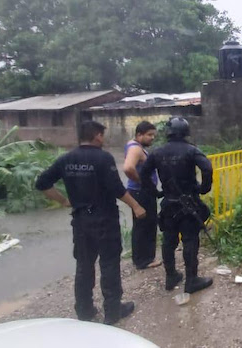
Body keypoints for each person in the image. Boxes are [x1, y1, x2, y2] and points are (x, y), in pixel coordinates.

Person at [35, 120, 146, 325]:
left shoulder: (66, 159)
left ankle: (84, 311)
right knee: (109, 264)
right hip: (104, 220)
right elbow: (116, 188)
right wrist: (136, 206)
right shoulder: (103, 158)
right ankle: (112, 311)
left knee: (84, 266)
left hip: (81, 221)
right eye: (102, 135)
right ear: (96, 136)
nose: (103, 139)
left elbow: (41, 183)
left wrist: (63, 201)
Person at [138, 117, 214, 294]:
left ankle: (171, 276)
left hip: (168, 204)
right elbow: (207, 168)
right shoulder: (191, 150)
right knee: (190, 240)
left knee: (169, 241)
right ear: (186, 132)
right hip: (189, 204)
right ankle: (191, 280)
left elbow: (144, 174)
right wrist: (204, 188)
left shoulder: (157, 152)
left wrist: (155, 192)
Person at [123, 121, 161, 270]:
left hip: (139, 192)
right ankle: (144, 260)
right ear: (139, 134)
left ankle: (141, 258)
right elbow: (127, 168)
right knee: (146, 225)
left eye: (153, 135)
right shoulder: (136, 149)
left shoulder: (134, 146)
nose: (152, 138)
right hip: (141, 192)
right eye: (149, 135)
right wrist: (142, 181)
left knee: (143, 224)